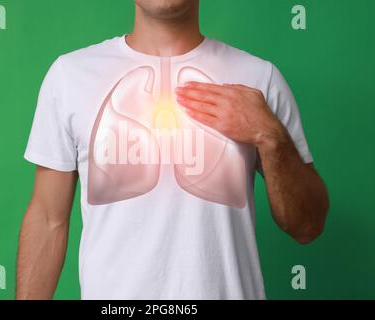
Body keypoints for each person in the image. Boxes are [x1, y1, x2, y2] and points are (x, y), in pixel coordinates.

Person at [16, 0, 329, 300]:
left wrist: (269, 136)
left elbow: (307, 226)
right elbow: (47, 219)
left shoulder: (259, 78)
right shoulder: (70, 76)